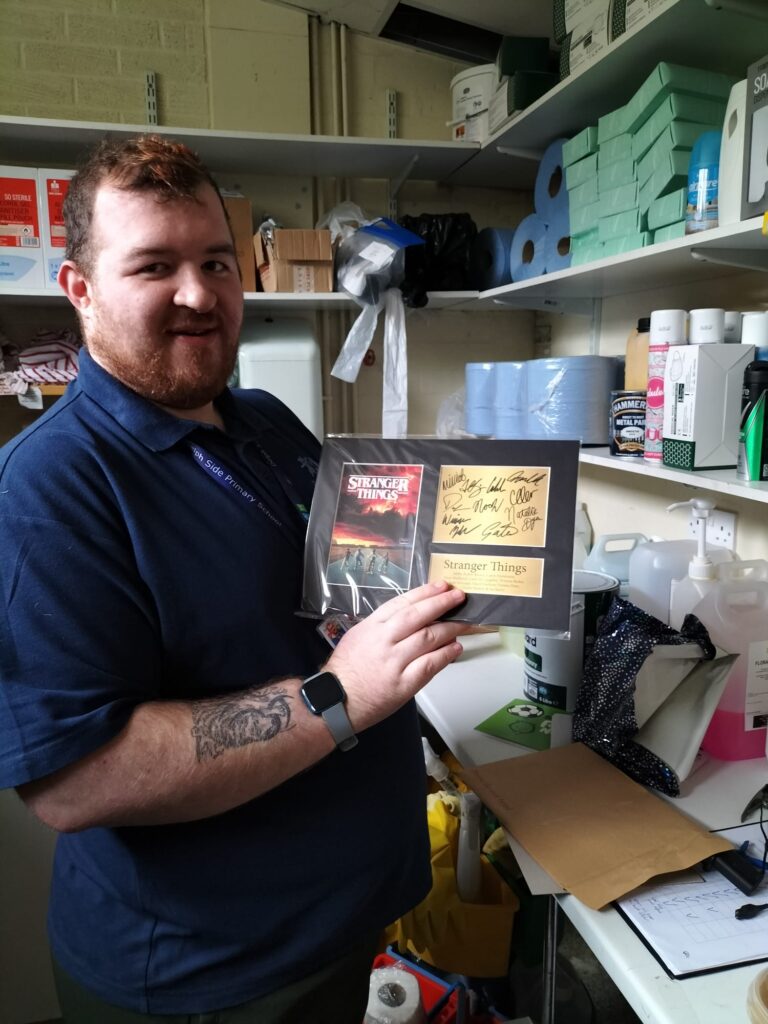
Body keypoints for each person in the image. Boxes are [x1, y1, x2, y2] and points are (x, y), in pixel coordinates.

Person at [0, 135, 467, 1024]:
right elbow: (76, 781)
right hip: (210, 978)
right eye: (154, 266)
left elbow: (311, 596)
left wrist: (424, 587)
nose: (196, 293)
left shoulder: (263, 421)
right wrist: (341, 694)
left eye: (215, 260)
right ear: (80, 290)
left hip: (337, 922)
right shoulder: (47, 488)